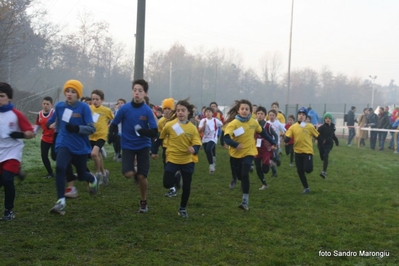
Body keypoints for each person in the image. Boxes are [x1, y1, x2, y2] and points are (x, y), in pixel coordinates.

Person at [47, 79, 99, 215]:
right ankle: (60, 202)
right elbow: (58, 124)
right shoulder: (59, 106)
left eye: (73, 92)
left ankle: (92, 179)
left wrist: (77, 128)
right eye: (67, 91)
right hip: (64, 143)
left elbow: (91, 128)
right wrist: (55, 139)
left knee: (81, 175)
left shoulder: (84, 108)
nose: (69, 94)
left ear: (78, 94)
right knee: (60, 168)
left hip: (80, 147)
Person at [108, 79, 158, 213]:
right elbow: (114, 123)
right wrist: (111, 135)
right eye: (135, 90)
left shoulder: (147, 111)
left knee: (142, 177)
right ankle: (136, 171)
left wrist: (143, 131)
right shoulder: (124, 109)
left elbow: (154, 132)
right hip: (128, 145)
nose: (137, 93)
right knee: (128, 173)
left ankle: (143, 201)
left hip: (143, 146)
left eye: (140, 91)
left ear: (145, 93)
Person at [151, 99, 202, 218]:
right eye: (178, 110)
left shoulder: (192, 128)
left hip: (187, 161)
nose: (180, 113)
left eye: (183, 110)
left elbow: (197, 143)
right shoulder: (169, 125)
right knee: (166, 183)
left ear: (188, 112)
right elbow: (160, 138)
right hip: (172, 159)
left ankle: (183, 208)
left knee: (187, 187)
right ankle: (176, 177)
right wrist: (154, 151)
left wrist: (194, 149)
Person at [223, 99, 276, 211]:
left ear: (251, 111)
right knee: (239, 175)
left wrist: (272, 141)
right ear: (238, 110)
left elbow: (263, 133)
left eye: (247, 109)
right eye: (242, 109)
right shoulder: (234, 123)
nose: (244, 111)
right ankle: (235, 178)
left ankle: (245, 201)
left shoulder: (253, 122)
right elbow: (226, 137)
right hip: (235, 153)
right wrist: (234, 144)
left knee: (245, 174)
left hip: (249, 152)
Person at [0, 82, 34, 220]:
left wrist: (18, 134)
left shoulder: (16, 114)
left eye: (1, 96)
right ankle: (17, 171)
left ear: (9, 98)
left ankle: (9, 211)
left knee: (7, 180)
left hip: (13, 152)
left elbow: (31, 133)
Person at [284, 107, 320, 194]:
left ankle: (307, 165)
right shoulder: (293, 127)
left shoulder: (310, 126)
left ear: (306, 117)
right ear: (297, 116)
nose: (301, 116)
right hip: (297, 152)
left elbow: (318, 136)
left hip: (307, 152)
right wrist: (286, 139)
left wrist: (323, 142)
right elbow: (287, 137)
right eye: (299, 114)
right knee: (300, 171)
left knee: (308, 169)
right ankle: (306, 187)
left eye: (303, 115)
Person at [152, 97, 182, 198]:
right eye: (165, 108)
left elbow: (180, 135)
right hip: (165, 148)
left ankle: (175, 182)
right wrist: (155, 149)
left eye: (169, 108)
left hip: (176, 148)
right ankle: (173, 186)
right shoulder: (161, 122)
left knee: (173, 167)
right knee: (167, 168)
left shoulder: (176, 121)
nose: (167, 111)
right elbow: (159, 136)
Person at [89, 89, 114, 184]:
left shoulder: (106, 110)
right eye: (93, 99)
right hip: (91, 136)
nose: (94, 101)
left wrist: (111, 128)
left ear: (102, 100)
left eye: (97, 99)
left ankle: (98, 174)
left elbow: (114, 120)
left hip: (101, 136)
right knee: (98, 156)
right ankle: (104, 173)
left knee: (94, 154)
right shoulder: (89, 109)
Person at [254, 106, 277, 190]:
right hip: (256, 149)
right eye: (258, 114)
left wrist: (274, 144)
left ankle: (271, 162)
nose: (259, 115)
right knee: (258, 168)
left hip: (266, 150)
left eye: (262, 114)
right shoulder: (253, 124)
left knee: (265, 170)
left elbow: (275, 135)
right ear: (256, 115)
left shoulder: (268, 126)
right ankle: (264, 184)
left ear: (265, 116)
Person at [34, 96, 55, 178]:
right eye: (44, 104)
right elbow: (38, 124)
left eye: (47, 104)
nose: (45, 105)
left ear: (51, 105)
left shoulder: (54, 113)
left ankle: (65, 170)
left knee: (55, 157)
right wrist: (34, 132)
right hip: (45, 138)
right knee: (44, 156)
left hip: (55, 138)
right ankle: (50, 173)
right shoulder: (39, 114)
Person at [198, 107, 223, 174]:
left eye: (209, 112)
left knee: (209, 149)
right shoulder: (203, 121)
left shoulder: (215, 120)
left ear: (212, 113)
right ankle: (212, 162)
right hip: (205, 139)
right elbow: (199, 131)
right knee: (207, 152)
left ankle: (211, 166)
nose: (208, 113)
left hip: (213, 138)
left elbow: (222, 124)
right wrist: (204, 125)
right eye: (206, 112)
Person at [317, 113, 339, 179]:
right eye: (326, 118)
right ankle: (324, 166)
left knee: (325, 156)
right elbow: (316, 135)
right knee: (322, 158)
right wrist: (321, 140)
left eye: (329, 118)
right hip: (321, 145)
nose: (328, 119)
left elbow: (333, 135)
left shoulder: (332, 127)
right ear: (324, 119)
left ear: (331, 119)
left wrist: (336, 141)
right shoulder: (321, 128)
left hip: (329, 145)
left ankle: (323, 172)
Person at [266, 109, 286, 177]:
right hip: (268, 143)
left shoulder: (278, 123)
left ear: (275, 116)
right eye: (270, 115)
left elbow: (284, 129)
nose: (271, 116)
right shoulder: (267, 123)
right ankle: (274, 172)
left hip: (275, 143)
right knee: (270, 158)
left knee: (273, 156)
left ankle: (277, 158)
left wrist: (283, 133)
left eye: (273, 115)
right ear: (268, 116)